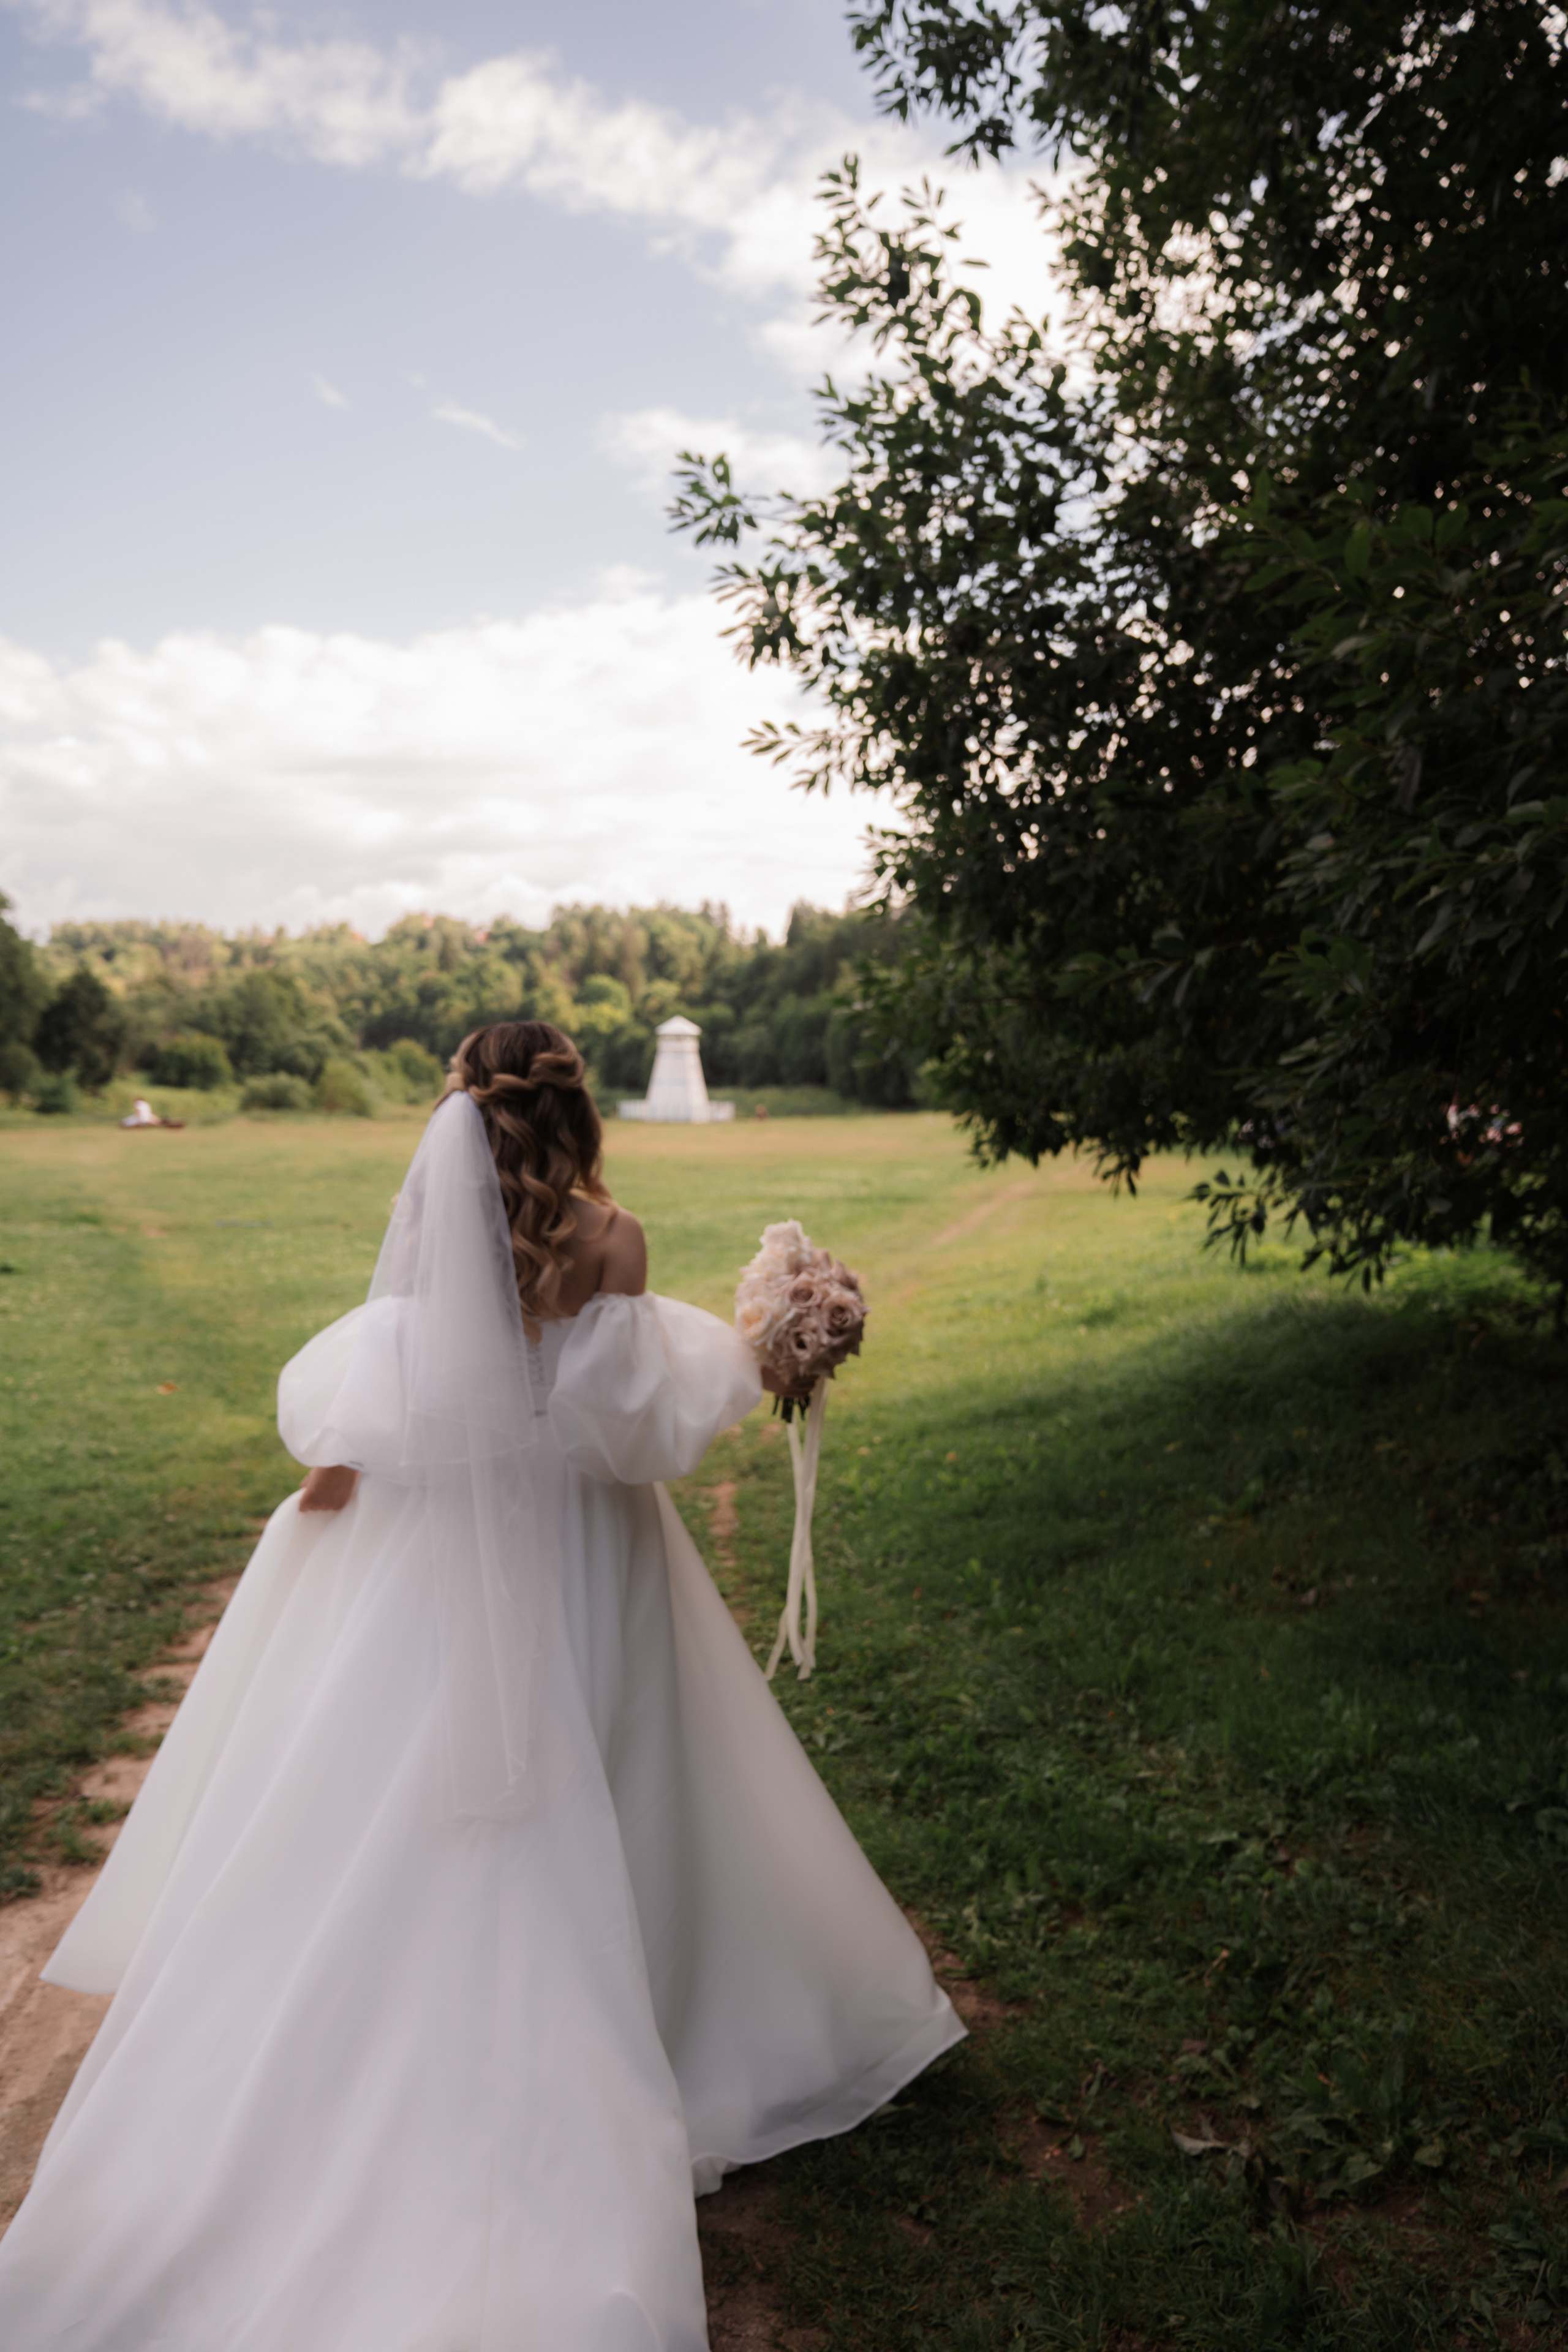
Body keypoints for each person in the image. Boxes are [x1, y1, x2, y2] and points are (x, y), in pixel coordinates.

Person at [0, 1020, 962, 2351]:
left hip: (436, 1543)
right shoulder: (615, 1240)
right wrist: (759, 1356)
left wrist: (328, 1485)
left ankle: (364, 2049)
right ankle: (656, 2019)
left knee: (391, 1788)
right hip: (583, 1546)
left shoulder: (439, 1221)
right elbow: (629, 1432)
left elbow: (389, 1384)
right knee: (614, 1764)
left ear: (465, 1112)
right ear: (578, 1114)